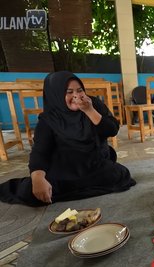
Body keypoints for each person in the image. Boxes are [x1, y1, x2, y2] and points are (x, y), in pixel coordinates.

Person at [0, 71, 136, 207]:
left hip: (93, 163)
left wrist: (89, 111)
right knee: (31, 192)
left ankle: (76, 188)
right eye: (69, 92)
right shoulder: (49, 118)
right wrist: (37, 178)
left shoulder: (93, 104)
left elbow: (112, 130)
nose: (76, 95)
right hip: (64, 168)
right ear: (57, 95)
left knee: (121, 175)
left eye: (79, 90)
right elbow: (40, 152)